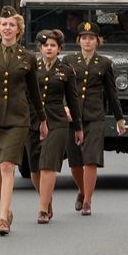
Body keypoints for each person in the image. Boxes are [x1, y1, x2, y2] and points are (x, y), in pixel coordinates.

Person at [0, 7, 47, 236]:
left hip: (18, 117)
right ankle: (5, 208)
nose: (7, 28)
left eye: (11, 25)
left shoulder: (28, 57)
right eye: (4, 24)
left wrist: (42, 119)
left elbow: (34, 92)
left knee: (7, 165)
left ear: (18, 29)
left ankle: (2, 218)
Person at [66, 21, 126, 216]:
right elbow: (62, 88)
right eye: (84, 38)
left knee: (90, 159)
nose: (87, 41)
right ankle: (82, 191)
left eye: (91, 38)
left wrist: (119, 119)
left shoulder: (104, 63)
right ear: (78, 40)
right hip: (73, 117)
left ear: (97, 41)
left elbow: (111, 92)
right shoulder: (68, 60)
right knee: (75, 161)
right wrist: (63, 107)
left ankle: (88, 201)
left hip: (94, 115)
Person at [26, 29, 82, 225]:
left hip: (57, 121)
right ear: (40, 48)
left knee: (48, 164)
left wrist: (78, 127)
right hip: (33, 121)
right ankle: (47, 200)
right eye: (45, 45)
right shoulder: (31, 68)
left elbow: (73, 100)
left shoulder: (66, 70)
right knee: (34, 168)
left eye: (53, 45)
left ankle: (42, 210)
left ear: (59, 49)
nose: (49, 48)